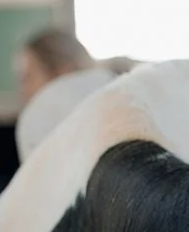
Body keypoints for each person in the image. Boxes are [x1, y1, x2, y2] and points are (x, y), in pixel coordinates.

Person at [13, 27, 116, 162]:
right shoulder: (118, 95)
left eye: (28, 77)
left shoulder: (42, 115)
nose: (23, 90)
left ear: (64, 72)